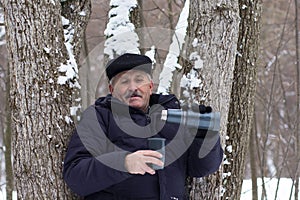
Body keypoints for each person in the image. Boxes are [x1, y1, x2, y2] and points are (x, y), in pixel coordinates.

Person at [63, 53, 223, 200]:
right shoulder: (99, 117)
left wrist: (205, 135)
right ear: (112, 90)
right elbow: (76, 175)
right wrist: (124, 163)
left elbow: (202, 169)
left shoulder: (174, 116)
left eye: (139, 80)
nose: (133, 87)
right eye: (124, 81)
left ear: (150, 86)